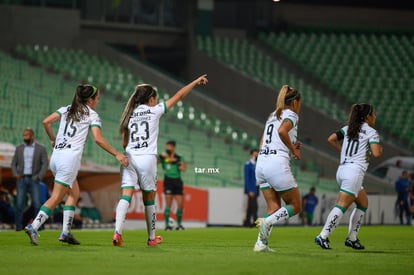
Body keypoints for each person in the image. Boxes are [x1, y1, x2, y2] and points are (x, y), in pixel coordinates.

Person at [24, 84, 129, 246]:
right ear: (90, 100)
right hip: (69, 159)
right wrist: (117, 153)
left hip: (56, 157)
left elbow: (46, 122)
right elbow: (98, 139)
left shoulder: (66, 109)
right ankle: (34, 226)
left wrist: (53, 139)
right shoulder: (92, 115)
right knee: (56, 197)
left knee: (74, 193)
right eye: (97, 98)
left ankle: (66, 233)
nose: (98, 101)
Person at [112, 74, 208, 247]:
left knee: (125, 196)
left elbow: (125, 143)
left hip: (129, 158)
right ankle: (151, 238)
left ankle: (117, 233)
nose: (156, 102)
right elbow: (179, 96)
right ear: (151, 99)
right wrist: (194, 81)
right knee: (149, 199)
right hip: (147, 159)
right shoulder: (155, 111)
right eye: (155, 99)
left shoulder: (129, 115)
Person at [315, 103, 382, 250]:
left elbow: (331, 138)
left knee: (363, 203)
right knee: (342, 205)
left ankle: (352, 238)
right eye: (373, 113)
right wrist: (378, 148)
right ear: (368, 116)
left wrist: (342, 151)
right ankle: (323, 236)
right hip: (354, 172)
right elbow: (377, 153)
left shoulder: (348, 129)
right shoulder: (371, 132)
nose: (375, 116)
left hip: (342, 170)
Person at [253, 85, 302, 252]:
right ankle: (267, 222)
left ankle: (261, 244)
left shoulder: (273, 115)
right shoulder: (292, 115)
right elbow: (282, 131)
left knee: (273, 208)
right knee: (295, 205)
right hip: (276, 163)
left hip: (261, 162)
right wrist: (292, 149)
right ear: (295, 102)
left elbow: (263, 141)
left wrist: (290, 145)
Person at [11, 128, 48, 231]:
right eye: (23, 135)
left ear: (32, 136)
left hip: (34, 179)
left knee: (37, 203)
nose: (24, 137)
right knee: (19, 204)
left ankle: (38, 226)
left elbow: (45, 163)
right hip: (21, 179)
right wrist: (16, 174)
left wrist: (39, 176)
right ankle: (18, 227)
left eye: (26, 135)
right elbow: (13, 163)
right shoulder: (19, 148)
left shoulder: (40, 148)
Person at [159, 140, 187, 230]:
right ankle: (167, 225)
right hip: (168, 181)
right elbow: (156, 162)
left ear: (174, 147)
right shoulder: (163, 158)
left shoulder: (179, 157)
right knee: (168, 204)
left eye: (169, 147)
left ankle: (179, 224)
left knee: (180, 204)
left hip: (177, 181)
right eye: (167, 147)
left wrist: (177, 162)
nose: (167, 148)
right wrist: (161, 157)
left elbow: (183, 169)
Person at [243, 149, 259, 227]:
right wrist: (250, 190)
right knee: (254, 206)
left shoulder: (257, 164)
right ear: (251, 155)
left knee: (250, 206)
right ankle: (255, 221)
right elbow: (247, 179)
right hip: (251, 189)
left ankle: (247, 222)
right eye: (254, 155)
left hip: (256, 187)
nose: (256, 156)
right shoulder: (248, 164)